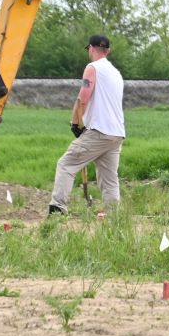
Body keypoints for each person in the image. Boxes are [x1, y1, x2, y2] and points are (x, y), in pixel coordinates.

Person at [49, 34, 126, 219]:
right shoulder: (116, 73)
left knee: (66, 164)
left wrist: (76, 122)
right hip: (117, 134)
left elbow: (83, 97)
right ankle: (113, 216)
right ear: (108, 51)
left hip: (99, 131)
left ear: (91, 48)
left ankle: (57, 209)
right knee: (109, 178)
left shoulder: (92, 68)